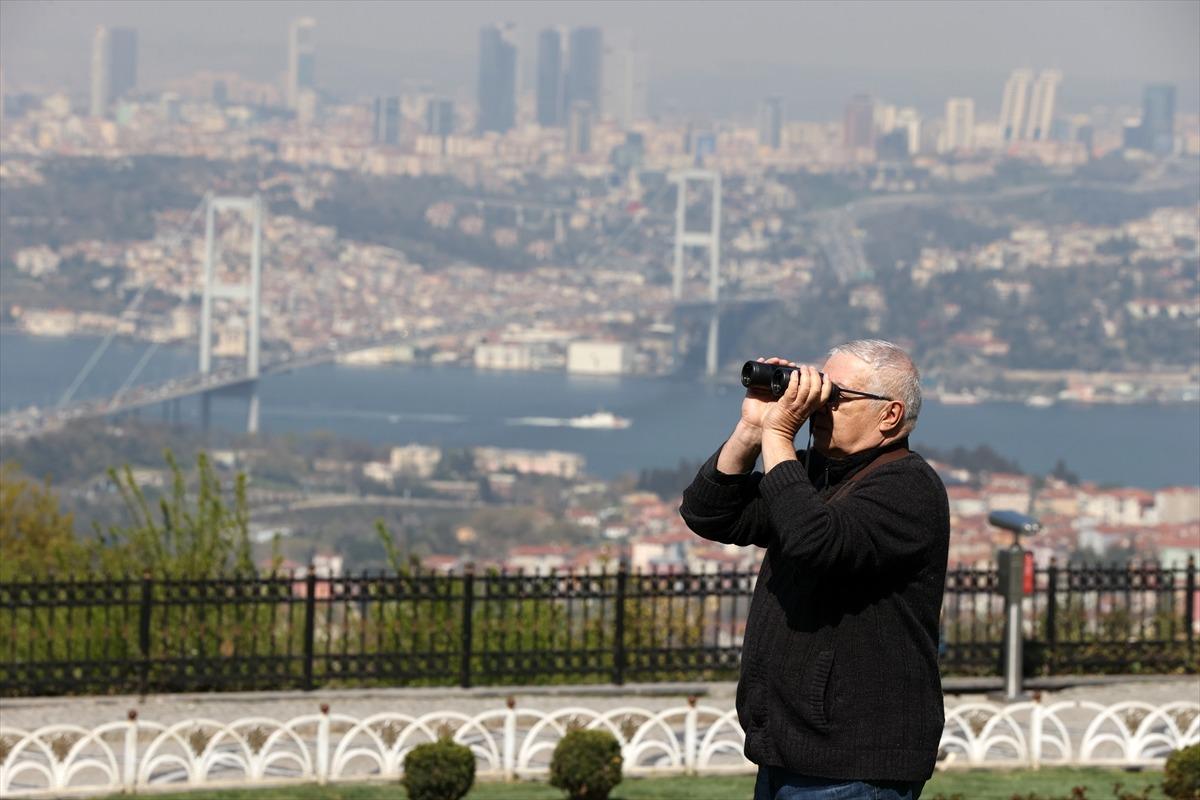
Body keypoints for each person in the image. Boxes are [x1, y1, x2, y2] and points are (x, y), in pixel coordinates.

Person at [679, 339, 950, 800]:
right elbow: (709, 513)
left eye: (836, 397)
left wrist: (779, 436)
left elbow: (815, 541)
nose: (819, 405)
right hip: (791, 750)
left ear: (889, 415)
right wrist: (751, 429)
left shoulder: (909, 488)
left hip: (853, 760)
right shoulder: (816, 477)